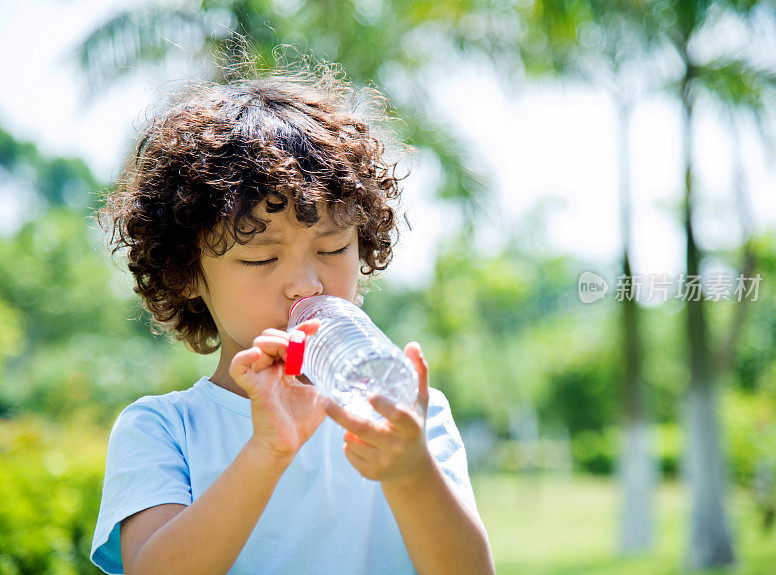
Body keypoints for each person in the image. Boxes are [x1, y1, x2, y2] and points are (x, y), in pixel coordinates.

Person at [89, 61, 494, 575]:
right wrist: (266, 451)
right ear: (186, 272)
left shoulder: (405, 415)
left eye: (333, 248)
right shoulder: (164, 429)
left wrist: (412, 472)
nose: (307, 284)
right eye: (260, 258)